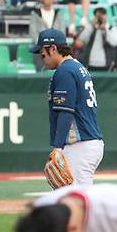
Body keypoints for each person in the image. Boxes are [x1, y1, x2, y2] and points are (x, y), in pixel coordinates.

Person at [30, 28, 104, 186]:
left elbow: (65, 111)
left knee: (78, 201)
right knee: (69, 199)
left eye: (43, 54)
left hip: (80, 144)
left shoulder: (65, 70)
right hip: (87, 142)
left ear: (53, 49)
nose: (42, 59)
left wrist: (57, 147)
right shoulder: (77, 66)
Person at [77, 7, 117, 72]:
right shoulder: (91, 28)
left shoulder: (112, 29)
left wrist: (105, 29)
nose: (100, 18)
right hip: (90, 64)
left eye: (102, 15)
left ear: (106, 16)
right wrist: (91, 25)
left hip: (107, 64)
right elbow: (81, 39)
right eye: (98, 16)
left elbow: (114, 43)